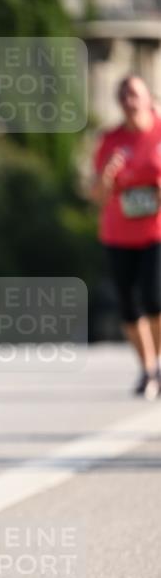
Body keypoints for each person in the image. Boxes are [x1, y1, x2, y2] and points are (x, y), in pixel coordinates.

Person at [92, 75, 161, 400]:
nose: (128, 101)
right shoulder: (110, 140)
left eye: (133, 94)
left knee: (154, 298)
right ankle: (147, 369)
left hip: (156, 231)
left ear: (148, 98)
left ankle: (157, 361)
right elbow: (97, 194)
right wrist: (107, 175)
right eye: (123, 96)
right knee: (128, 304)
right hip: (118, 232)